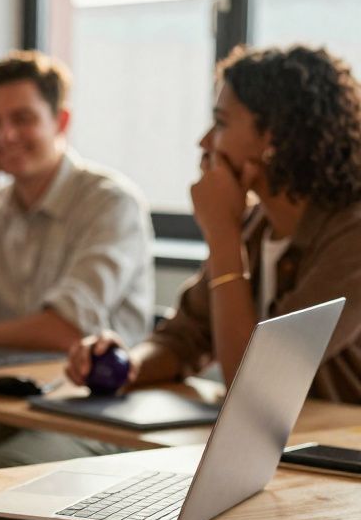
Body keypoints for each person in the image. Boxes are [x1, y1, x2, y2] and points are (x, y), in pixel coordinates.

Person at [69, 45, 361, 405]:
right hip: (278, 446)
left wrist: (223, 234)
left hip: (338, 453)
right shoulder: (258, 227)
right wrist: (126, 363)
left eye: (221, 123)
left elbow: (256, 383)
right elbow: (183, 338)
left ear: (276, 137)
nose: (204, 141)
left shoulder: (351, 238)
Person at [0, 51, 154, 474]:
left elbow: (65, 330)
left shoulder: (110, 202)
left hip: (103, 405)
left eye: (22, 118)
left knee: (2, 469)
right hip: (21, 400)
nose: (5, 135)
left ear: (60, 121)